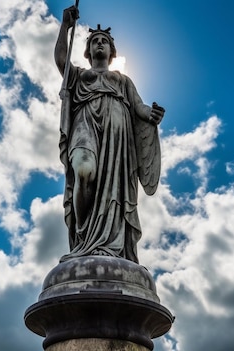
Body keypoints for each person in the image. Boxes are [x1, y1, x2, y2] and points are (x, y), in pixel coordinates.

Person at [55, 6, 164, 263]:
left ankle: (105, 241)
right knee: (83, 170)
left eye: (104, 41)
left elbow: (138, 106)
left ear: (112, 52)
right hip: (86, 123)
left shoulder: (122, 80)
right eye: (95, 41)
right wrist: (65, 26)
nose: (100, 44)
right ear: (89, 51)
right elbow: (61, 60)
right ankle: (83, 238)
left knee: (111, 187)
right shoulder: (79, 76)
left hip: (117, 138)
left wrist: (152, 114)